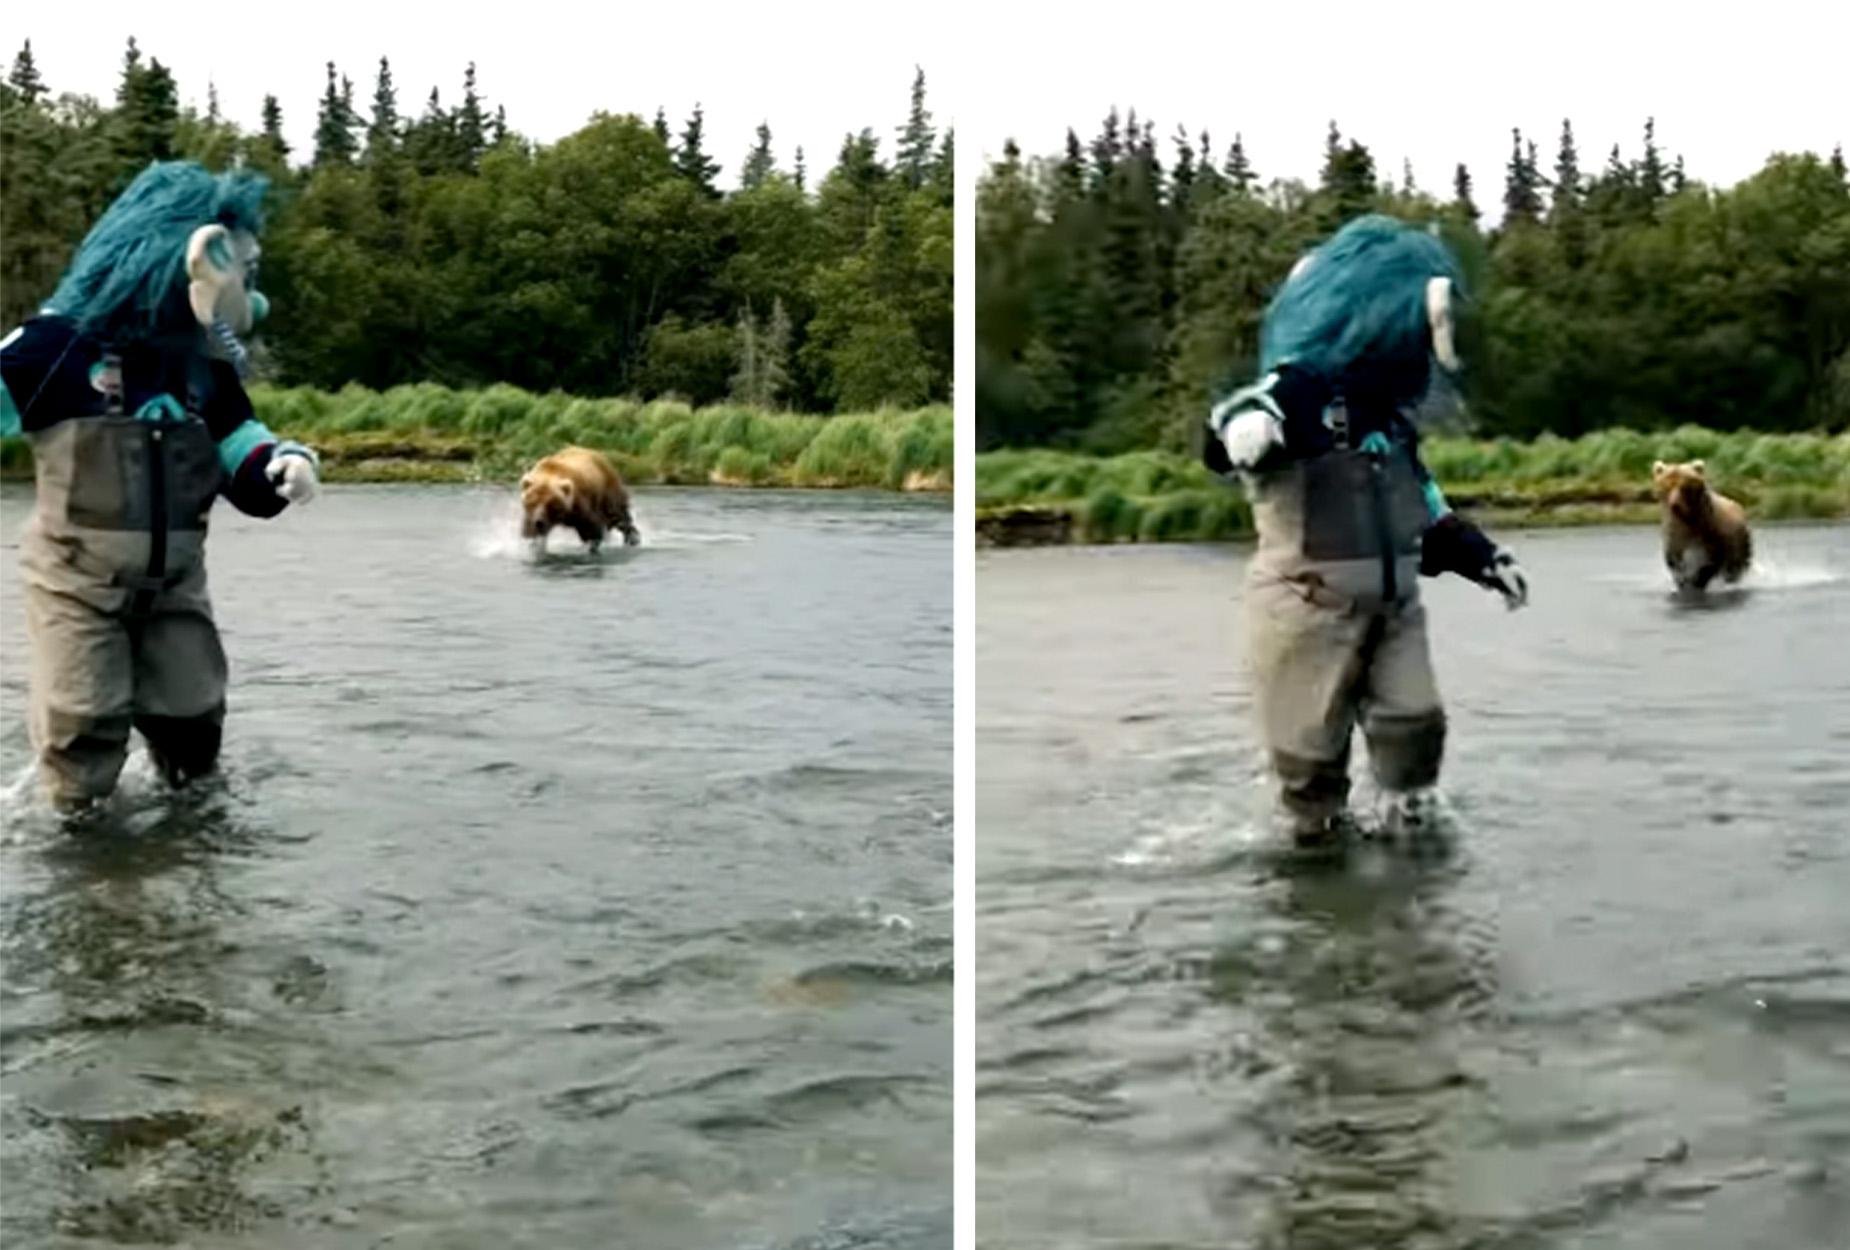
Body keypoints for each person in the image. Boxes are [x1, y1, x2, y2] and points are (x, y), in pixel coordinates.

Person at [0, 160, 321, 817]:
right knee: (83, 718)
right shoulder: (51, 346)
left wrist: (281, 465)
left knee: (194, 720)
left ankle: (192, 834)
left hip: (177, 584)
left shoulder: (203, 368)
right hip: (74, 583)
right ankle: (77, 841)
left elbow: (244, 453)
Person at [1203, 214, 1528, 846]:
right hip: (1305, 609)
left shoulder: (1396, 423)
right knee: (1307, 752)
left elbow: (1425, 510)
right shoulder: (1296, 393)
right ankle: (1314, 850)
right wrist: (1245, 433)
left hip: (1395, 611)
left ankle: (1409, 830)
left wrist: (1484, 558)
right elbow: (1238, 417)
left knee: (1417, 720)